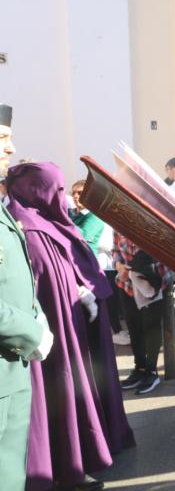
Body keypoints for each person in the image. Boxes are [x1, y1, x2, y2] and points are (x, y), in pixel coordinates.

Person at [6, 162, 135, 491]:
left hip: (69, 322)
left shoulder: (42, 221)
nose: (62, 197)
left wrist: (82, 291)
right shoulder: (30, 228)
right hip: (47, 334)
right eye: (56, 189)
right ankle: (66, 467)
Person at [0, 104, 54, 491]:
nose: (11, 148)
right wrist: (31, 331)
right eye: (2, 138)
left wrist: (37, 317)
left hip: (12, 367)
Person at [114, 234, 172, 395]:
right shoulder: (116, 216)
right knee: (133, 328)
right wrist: (120, 267)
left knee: (151, 327)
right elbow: (116, 250)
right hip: (126, 284)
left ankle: (152, 371)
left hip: (151, 280)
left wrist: (131, 268)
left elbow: (160, 245)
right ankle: (139, 367)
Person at [70, 179, 105, 257]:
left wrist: (63, 221)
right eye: (73, 193)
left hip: (85, 263)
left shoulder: (96, 216)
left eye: (80, 193)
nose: (75, 196)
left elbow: (83, 235)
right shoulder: (68, 212)